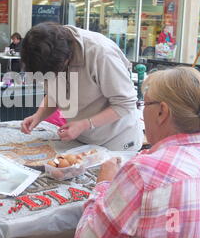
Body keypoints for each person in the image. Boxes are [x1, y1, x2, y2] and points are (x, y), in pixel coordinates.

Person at [74, 66, 200, 238]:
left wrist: (104, 184)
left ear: (162, 112)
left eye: (145, 104)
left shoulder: (142, 173)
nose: (142, 113)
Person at [20, 22, 143, 152]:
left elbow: (125, 103)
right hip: (81, 140)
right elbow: (55, 94)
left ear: (66, 59)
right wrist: (38, 116)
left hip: (116, 141)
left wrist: (84, 124)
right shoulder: (48, 56)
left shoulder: (101, 53)